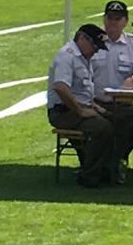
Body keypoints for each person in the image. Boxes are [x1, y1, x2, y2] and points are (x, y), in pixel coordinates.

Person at [46, 23, 123, 188]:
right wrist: (80, 111)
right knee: (102, 128)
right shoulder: (66, 57)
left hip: (80, 107)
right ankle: (90, 175)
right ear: (82, 38)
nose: (96, 51)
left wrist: (94, 107)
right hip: (63, 112)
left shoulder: (84, 58)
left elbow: (82, 91)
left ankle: (109, 169)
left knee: (120, 120)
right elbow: (61, 87)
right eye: (95, 46)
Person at [89, 0, 133, 171]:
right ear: (104, 19)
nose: (113, 23)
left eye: (118, 19)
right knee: (116, 125)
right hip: (95, 101)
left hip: (123, 102)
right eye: (110, 18)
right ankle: (108, 163)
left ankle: (116, 158)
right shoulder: (93, 42)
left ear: (125, 21)